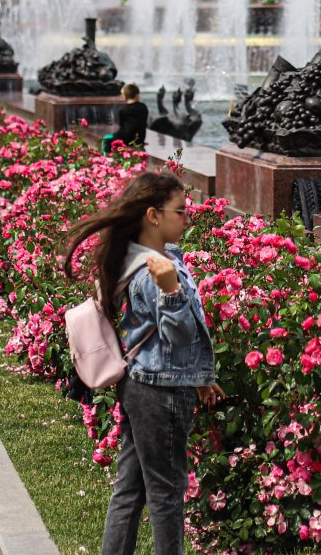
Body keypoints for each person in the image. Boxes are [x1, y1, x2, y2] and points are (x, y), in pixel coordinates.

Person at [63, 172, 221, 555]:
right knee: (166, 495)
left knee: (130, 490)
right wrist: (170, 290)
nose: (187, 217)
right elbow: (176, 337)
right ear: (153, 215)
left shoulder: (147, 259)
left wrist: (200, 377)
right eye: (180, 211)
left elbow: (167, 341)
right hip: (160, 391)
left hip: (144, 383)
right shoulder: (154, 272)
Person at [109, 83, 149, 153]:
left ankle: (106, 156)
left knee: (107, 138)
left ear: (124, 96)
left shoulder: (123, 110)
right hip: (140, 138)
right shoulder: (143, 107)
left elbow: (121, 125)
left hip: (125, 138)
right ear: (137, 95)